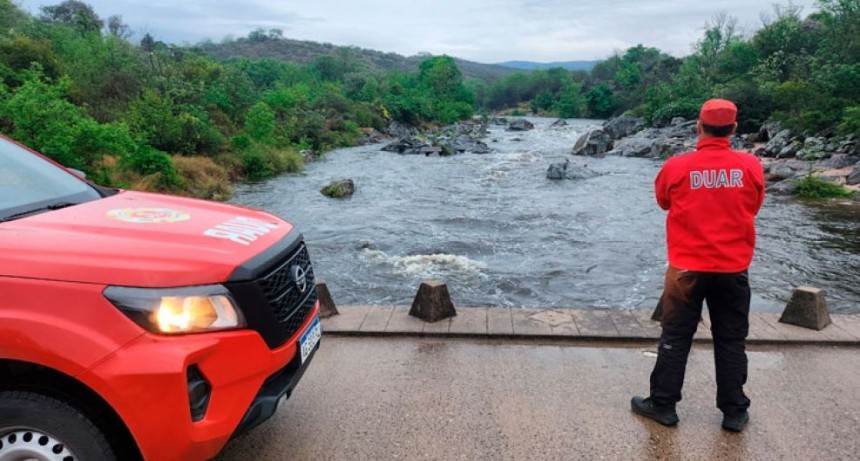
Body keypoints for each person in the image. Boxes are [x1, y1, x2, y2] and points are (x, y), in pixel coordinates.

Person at [631, 99, 765, 432]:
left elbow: (664, 201)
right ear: (734, 129)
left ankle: (663, 405)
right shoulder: (750, 166)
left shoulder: (677, 166)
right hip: (733, 268)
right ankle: (734, 412)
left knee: (675, 336)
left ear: (698, 126)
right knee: (731, 339)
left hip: (686, 270)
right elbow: (755, 206)